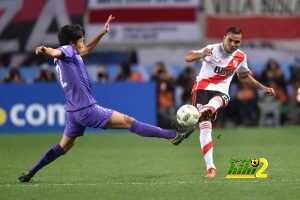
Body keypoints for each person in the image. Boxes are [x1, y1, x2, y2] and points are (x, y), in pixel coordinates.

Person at [18, 15, 193, 183]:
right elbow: (56, 51)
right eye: (81, 40)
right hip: (86, 109)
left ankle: (31, 171)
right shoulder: (67, 50)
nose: (83, 43)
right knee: (129, 122)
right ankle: (173, 135)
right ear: (72, 43)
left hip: (73, 112)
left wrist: (102, 33)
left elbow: (85, 50)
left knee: (63, 147)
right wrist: (44, 49)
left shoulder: (72, 55)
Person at [185, 27, 276, 178]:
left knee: (222, 99)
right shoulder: (211, 49)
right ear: (224, 37)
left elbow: (244, 76)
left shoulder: (240, 57)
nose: (234, 44)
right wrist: (201, 54)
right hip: (201, 90)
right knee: (205, 128)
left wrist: (262, 87)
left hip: (221, 93)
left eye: (237, 42)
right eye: (231, 40)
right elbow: (188, 57)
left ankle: (205, 111)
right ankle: (211, 168)